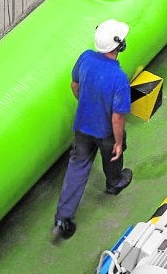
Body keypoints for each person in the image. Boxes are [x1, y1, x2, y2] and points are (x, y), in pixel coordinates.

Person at [51, 18, 133, 242]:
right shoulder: (119, 78)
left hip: (82, 125)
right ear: (119, 46)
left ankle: (62, 219)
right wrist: (117, 142)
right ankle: (114, 183)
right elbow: (117, 117)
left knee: (77, 167)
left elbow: (74, 85)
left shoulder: (86, 57)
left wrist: (87, 105)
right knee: (114, 155)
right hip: (105, 131)